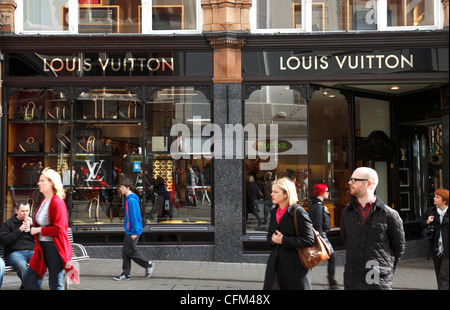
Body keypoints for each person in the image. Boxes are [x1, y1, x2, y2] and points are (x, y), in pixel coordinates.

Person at [340, 167, 405, 290]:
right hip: (352, 279)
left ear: (369, 183)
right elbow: (347, 241)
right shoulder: (347, 212)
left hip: (377, 279)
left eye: (354, 180)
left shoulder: (389, 214)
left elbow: (398, 247)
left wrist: (385, 268)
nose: (349, 183)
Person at [23, 168, 79, 290]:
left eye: (42, 181)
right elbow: (43, 222)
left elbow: (59, 228)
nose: (39, 183)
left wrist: (39, 230)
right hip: (42, 247)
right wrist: (32, 223)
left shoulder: (57, 202)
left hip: (55, 248)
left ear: (51, 183)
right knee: (28, 279)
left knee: (55, 284)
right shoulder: (44, 201)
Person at [263, 177, 315, 290]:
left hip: (294, 267)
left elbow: (309, 239)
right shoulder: (273, 212)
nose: (272, 194)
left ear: (286, 194)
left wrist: (284, 240)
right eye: (272, 191)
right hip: (275, 266)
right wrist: (272, 239)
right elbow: (269, 238)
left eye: (275, 192)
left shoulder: (298, 212)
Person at [114, 178, 154, 281]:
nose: (120, 189)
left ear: (128, 188)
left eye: (122, 187)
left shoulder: (131, 201)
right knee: (125, 251)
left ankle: (147, 264)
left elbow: (135, 216)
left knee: (131, 251)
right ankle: (126, 274)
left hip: (133, 230)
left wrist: (135, 232)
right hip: (130, 229)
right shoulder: (129, 199)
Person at [0, 202, 40, 289]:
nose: (25, 213)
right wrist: (19, 230)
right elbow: (4, 241)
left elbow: (42, 238)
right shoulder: (8, 223)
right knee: (22, 265)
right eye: (22, 211)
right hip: (14, 253)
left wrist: (33, 226)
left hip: (31, 251)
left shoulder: (32, 222)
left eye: (27, 211)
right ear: (16, 211)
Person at [308, 183, 338, 289]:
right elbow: (318, 224)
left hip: (315, 235)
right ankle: (331, 282)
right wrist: (321, 240)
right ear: (321, 193)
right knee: (331, 257)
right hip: (320, 235)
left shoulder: (314, 205)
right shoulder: (319, 206)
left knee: (311, 259)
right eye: (326, 191)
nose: (328, 193)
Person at [420, 188, 448, 290]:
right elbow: (421, 224)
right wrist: (427, 222)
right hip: (436, 248)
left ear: (444, 200)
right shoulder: (431, 211)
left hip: (448, 249)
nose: (434, 198)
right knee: (439, 273)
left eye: (437, 197)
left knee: (443, 275)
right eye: (434, 196)